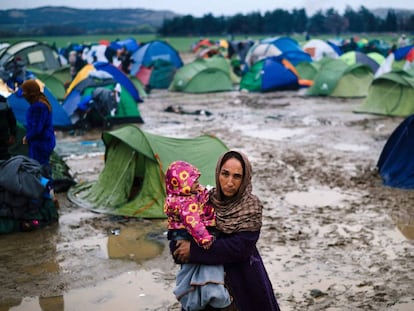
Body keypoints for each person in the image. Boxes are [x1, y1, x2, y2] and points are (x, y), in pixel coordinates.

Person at [172, 150, 281, 311]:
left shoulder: (250, 208)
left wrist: (194, 251)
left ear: (245, 179)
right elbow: (177, 244)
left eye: (237, 176)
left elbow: (239, 248)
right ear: (218, 173)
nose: (230, 182)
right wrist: (180, 246)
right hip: (203, 287)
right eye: (225, 174)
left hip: (243, 283)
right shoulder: (203, 201)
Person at [164, 160, 232, 311]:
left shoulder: (185, 195)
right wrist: (204, 239)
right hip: (187, 232)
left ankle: (194, 297)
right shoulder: (186, 203)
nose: (197, 184)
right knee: (189, 269)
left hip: (184, 233)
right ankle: (197, 297)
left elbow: (240, 248)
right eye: (193, 182)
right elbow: (193, 223)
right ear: (183, 185)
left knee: (191, 269)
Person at [21, 80, 56, 170]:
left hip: (40, 143)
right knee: (43, 166)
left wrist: (27, 137)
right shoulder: (42, 103)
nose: (22, 94)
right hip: (46, 141)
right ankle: (47, 183)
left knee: (39, 168)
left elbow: (37, 128)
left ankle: (45, 184)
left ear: (30, 92)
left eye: (24, 91)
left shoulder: (38, 107)